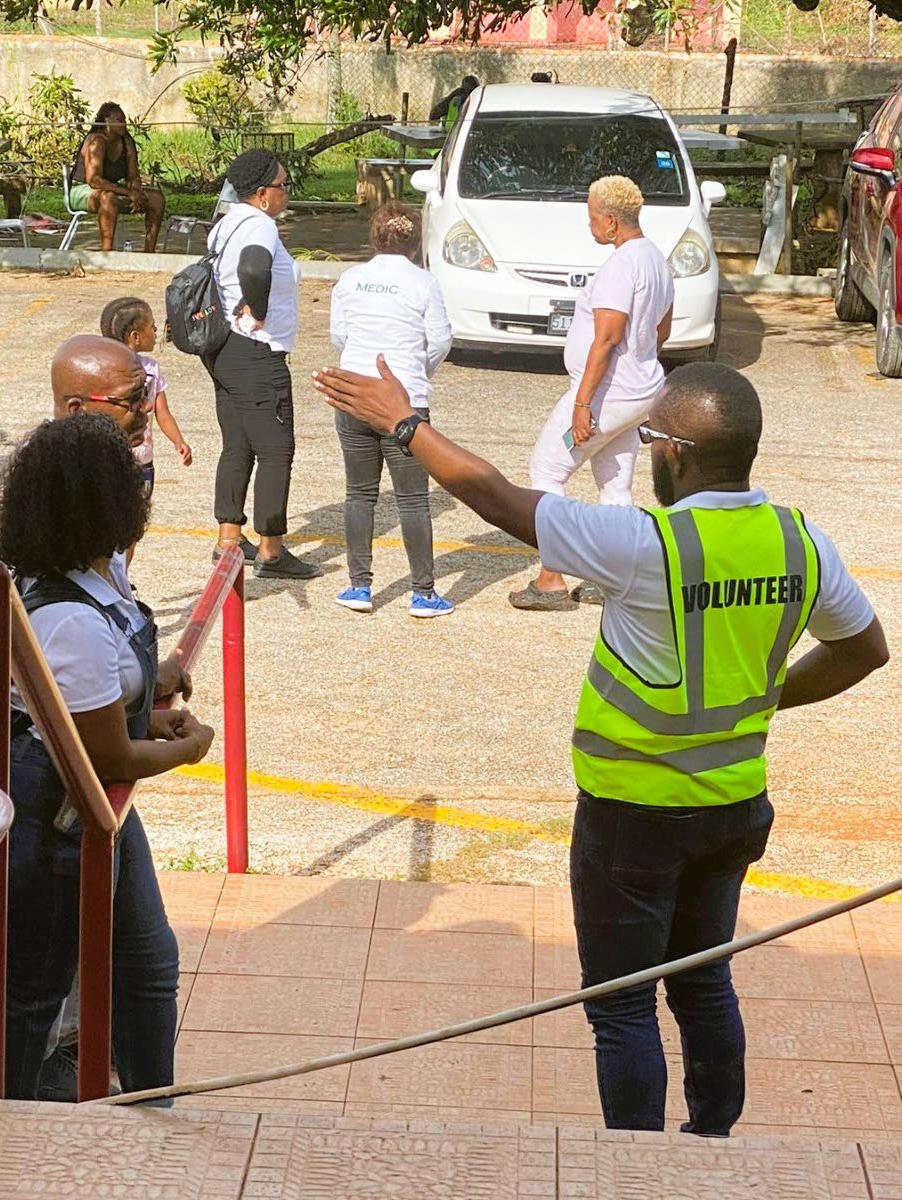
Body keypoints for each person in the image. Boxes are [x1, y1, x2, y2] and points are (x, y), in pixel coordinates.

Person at [313, 356, 888, 1135]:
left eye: (650, 436)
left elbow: (495, 497)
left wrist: (405, 426)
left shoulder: (641, 542)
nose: (647, 449)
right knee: (702, 982)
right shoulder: (801, 542)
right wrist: (762, 694)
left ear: (675, 452)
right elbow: (863, 650)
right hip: (732, 808)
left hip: (632, 818)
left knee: (620, 1007)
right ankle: (713, 1142)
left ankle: (639, 1168)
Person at [0, 414, 216, 1101]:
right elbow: (107, 755)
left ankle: (153, 1105)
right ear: (113, 507)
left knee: (148, 962)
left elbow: (87, 711)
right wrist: (186, 748)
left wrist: (148, 707)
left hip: (90, 809)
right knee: (35, 991)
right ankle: (4, 1122)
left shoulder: (85, 580)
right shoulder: (73, 618)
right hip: (60, 816)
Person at [511, 175, 674, 612]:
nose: (589, 227)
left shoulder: (622, 265)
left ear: (611, 222)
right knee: (614, 482)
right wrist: (638, 362)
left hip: (606, 394)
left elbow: (606, 337)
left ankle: (551, 579)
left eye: (592, 218)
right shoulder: (656, 258)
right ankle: (613, 577)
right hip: (640, 389)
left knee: (547, 468)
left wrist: (583, 403)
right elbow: (663, 328)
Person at [329, 203, 454, 617]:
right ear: (416, 242)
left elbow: (339, 334)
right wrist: (420, 372)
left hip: (355, 393)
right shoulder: (424, 282)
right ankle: (423, 592)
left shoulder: (350, 279)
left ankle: (358, 586)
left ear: (375, 238)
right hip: (403, 399)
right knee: (413, 499)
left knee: (359, 492)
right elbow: (439, 340)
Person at [205, 148, 319, 580]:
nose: (286, 192)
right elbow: (254, 268)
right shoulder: (260, 226)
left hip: (224, 350)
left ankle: (228, 538)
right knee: (275, 449)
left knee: (238, 444)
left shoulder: (225, 224)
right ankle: (271, 548)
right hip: (256, 350)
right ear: (261, 194)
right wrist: (259, 310)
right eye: (282, 185)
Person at [99, 295, 192, 503]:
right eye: (152, 326)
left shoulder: (151, 368)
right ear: (135, 337)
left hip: (143, 459)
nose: (156, 331)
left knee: (135, 514)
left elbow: (163, 412)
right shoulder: (106, 370)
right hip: (111, 459)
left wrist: (179, 441)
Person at [70, 102, 165, 254]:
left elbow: (133, 175)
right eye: (119, 120)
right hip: (84, 190)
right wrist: (128, 192)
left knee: (156, 198)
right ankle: (107, 252)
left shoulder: (127, 141)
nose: (124, 124)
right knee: (108, 198)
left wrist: (136, 191)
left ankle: (149, 251)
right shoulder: (97, 141)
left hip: (113, 189)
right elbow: (94, 180)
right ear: (106, 121)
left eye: (124, 120)